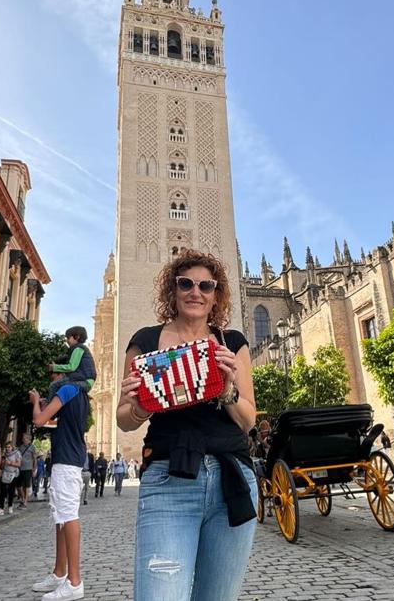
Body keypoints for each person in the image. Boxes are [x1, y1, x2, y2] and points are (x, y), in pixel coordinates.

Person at [117, 250, 257, 600]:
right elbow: (123, 419)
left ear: (216, 295)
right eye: (186, 284)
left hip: (232, 482)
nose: (196, 292)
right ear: (173, 290)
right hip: (169, 480)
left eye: (206, 286)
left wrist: (227, 389)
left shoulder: (232, 343)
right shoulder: (145, 343)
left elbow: (248, 420)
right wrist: (138, 405)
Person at [30, 370, 89, 600]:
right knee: (60, 518)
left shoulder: (66, 389)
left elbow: (39, 420)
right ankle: (59, 572)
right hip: (68, 458)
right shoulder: (80, 393)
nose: (51, 379)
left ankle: (74, 582)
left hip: (66, 461)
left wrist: (36, 403)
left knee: (68, 516)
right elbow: (53, 423)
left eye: (53, 374)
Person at [48, 326, 96, 400]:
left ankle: (49, 406)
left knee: (54, 385)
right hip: (83, 380)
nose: (67, 340)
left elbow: (71, 367)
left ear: (76, 337)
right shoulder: (76, 349)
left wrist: (54, 367)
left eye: (68, 338)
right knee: (62, 383)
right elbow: (65, 358)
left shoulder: (78, 349)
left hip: (84, 381)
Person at [0, 442, 21, 516]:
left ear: (12, 447)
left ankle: (10, 506)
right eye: (6, 447)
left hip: (13, 474)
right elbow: (2, 466)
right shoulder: (4, 455)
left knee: (11, 491)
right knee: (2, 492)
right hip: (4, 473)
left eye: (9, 447)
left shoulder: (17, 453)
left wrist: (10, 463)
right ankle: (1, 508)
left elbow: (19, 464)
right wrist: (3, 463)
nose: (7, 449)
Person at [16, 433, 36, 508]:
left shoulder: (32, 447)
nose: (22, 439)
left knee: (26, 486)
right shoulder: (20, 447)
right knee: (18, 486)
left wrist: (34, 469)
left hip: (28, 468)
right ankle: (23, 498)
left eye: (24, 438)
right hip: (20, 468)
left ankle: (25, 502)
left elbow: (34, 459)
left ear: (28, 439)